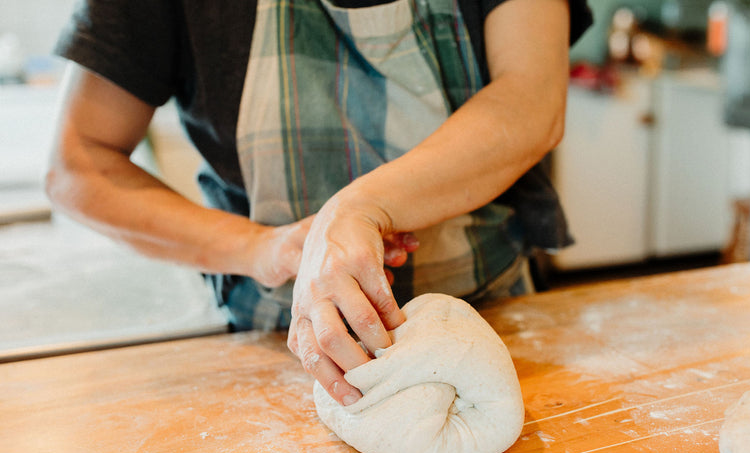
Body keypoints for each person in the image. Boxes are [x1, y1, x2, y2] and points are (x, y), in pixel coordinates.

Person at [47, 0, 592, 406]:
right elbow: (79, 162)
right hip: (271, 343)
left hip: (495, 319)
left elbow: (531, 99)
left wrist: (356, 210)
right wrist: (267, 247)